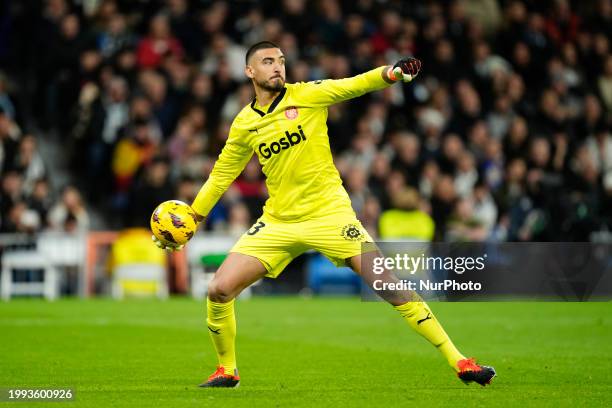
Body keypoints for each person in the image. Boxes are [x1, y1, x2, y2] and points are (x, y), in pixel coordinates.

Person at [152, 41, 495, 388]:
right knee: (219, 289)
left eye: (281, 61)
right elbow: (222, 174)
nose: (277, 67)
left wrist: (391, 73)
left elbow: (354, 84)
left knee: (387, 285)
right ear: (249, 71)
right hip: (279, 221)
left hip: (331, 216)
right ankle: (227, 370)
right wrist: (194, 216)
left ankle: (460, 361)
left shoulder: (308, 95)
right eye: (268, 61)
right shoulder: (244, 124)